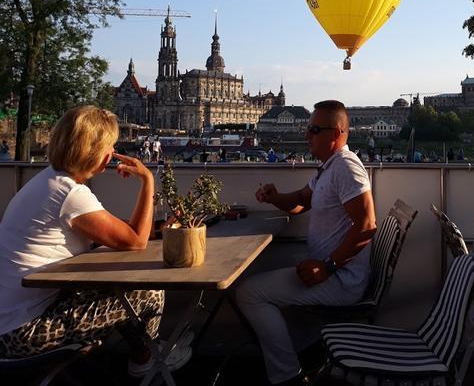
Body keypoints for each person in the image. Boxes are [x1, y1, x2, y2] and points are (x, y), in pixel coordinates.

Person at [0, 106, 191, 376]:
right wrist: (147, 180)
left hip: (10, 322)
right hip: (23, 333)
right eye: (110, 147)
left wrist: (152, 228)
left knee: (117, 289)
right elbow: (136, 242)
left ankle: (148, 352)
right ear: (95, 152)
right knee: (146, 292)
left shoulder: (48, 181)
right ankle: (147, 360)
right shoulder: (69, 193)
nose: (112, 154)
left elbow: (115, 232)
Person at [236, 100, 377, 386]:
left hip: (341, 280)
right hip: (333, 271)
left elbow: (367, 225)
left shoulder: (346, 167)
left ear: (336, 133)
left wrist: (328, 266)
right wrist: (275, 197)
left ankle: (287, 375)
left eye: (313, 130)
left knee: (249, 293)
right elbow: (302, 200)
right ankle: (302, 354)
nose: (306, 136)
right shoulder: (329, 167)